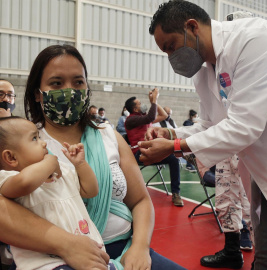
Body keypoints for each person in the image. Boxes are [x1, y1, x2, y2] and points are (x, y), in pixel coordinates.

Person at [22, 44, 186, 270]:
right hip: (58, 258)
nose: (70, 90)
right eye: (57, 83)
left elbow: (140, 201)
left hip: (126, 249)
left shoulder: (109, 135)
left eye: (78, 82)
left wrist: (139, 247)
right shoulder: (23, 147)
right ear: (38, 94)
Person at [138, 1, 267, 269]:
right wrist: (171, 132)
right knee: (264, 253)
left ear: (192, 27)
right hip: (260, 170)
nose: (170, 57)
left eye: (171, 46)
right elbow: (211, 124)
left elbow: (244, 125)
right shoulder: (203, 71)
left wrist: (175, 146)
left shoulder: (254, 40)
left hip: (261, 159)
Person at [0, 116, 115, 270]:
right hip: (47, 264)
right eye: (34, 138)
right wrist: (50, 162)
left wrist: (80, 164)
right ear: (11, 157)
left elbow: (91, 191)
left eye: (39, 136)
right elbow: (25, 182)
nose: (43, 142)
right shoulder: (8, 179)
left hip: (88, 255)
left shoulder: (61, 171)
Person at [125, 91, 184, 207]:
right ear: (135, 109)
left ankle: (176, 193)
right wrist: (154, 101)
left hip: (151, 150)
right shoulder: (131, 120)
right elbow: (151, 117)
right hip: (139, 154)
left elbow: (164, 116)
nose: (142, 104)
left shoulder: (143, 118)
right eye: (139, 103)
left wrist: (155, 102)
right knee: (172, 156)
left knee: (174, 158)